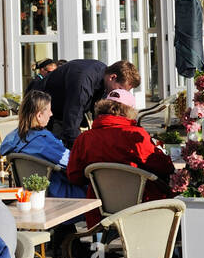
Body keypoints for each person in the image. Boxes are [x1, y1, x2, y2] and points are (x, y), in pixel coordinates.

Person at [67, 90, 175, 224]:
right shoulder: (135, 135)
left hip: (100, 211)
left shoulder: (84, 138)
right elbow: (165, 167)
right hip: (141, 207)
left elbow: (74, 176)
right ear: (129, 111)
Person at [0, 90, 85, 199]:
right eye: (49, 110)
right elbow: (73, 164)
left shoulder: (14, 138)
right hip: (59, 193)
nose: (51, 114)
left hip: (31, 195)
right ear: (39, 115)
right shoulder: (44, 141)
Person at [44, 58, 141, 145]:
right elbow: (71, 124)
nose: (120, 93)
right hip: (44, 111)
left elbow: (101, 117)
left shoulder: (104, 77)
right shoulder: (84, 82)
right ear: (112, 77)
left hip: (58, 110)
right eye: (120, 88)